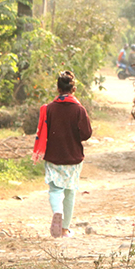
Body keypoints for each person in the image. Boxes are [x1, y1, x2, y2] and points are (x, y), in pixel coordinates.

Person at [31, 70, 93, 239]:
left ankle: (57, 212)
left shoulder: (49, 109)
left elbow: (43, 132)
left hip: (53, 157)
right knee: (70, 191)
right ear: (73, 89)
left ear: (58, 89)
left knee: (55, 190)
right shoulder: (79, 109)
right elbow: (86, 133)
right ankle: (65, 229)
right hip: (73, 157)